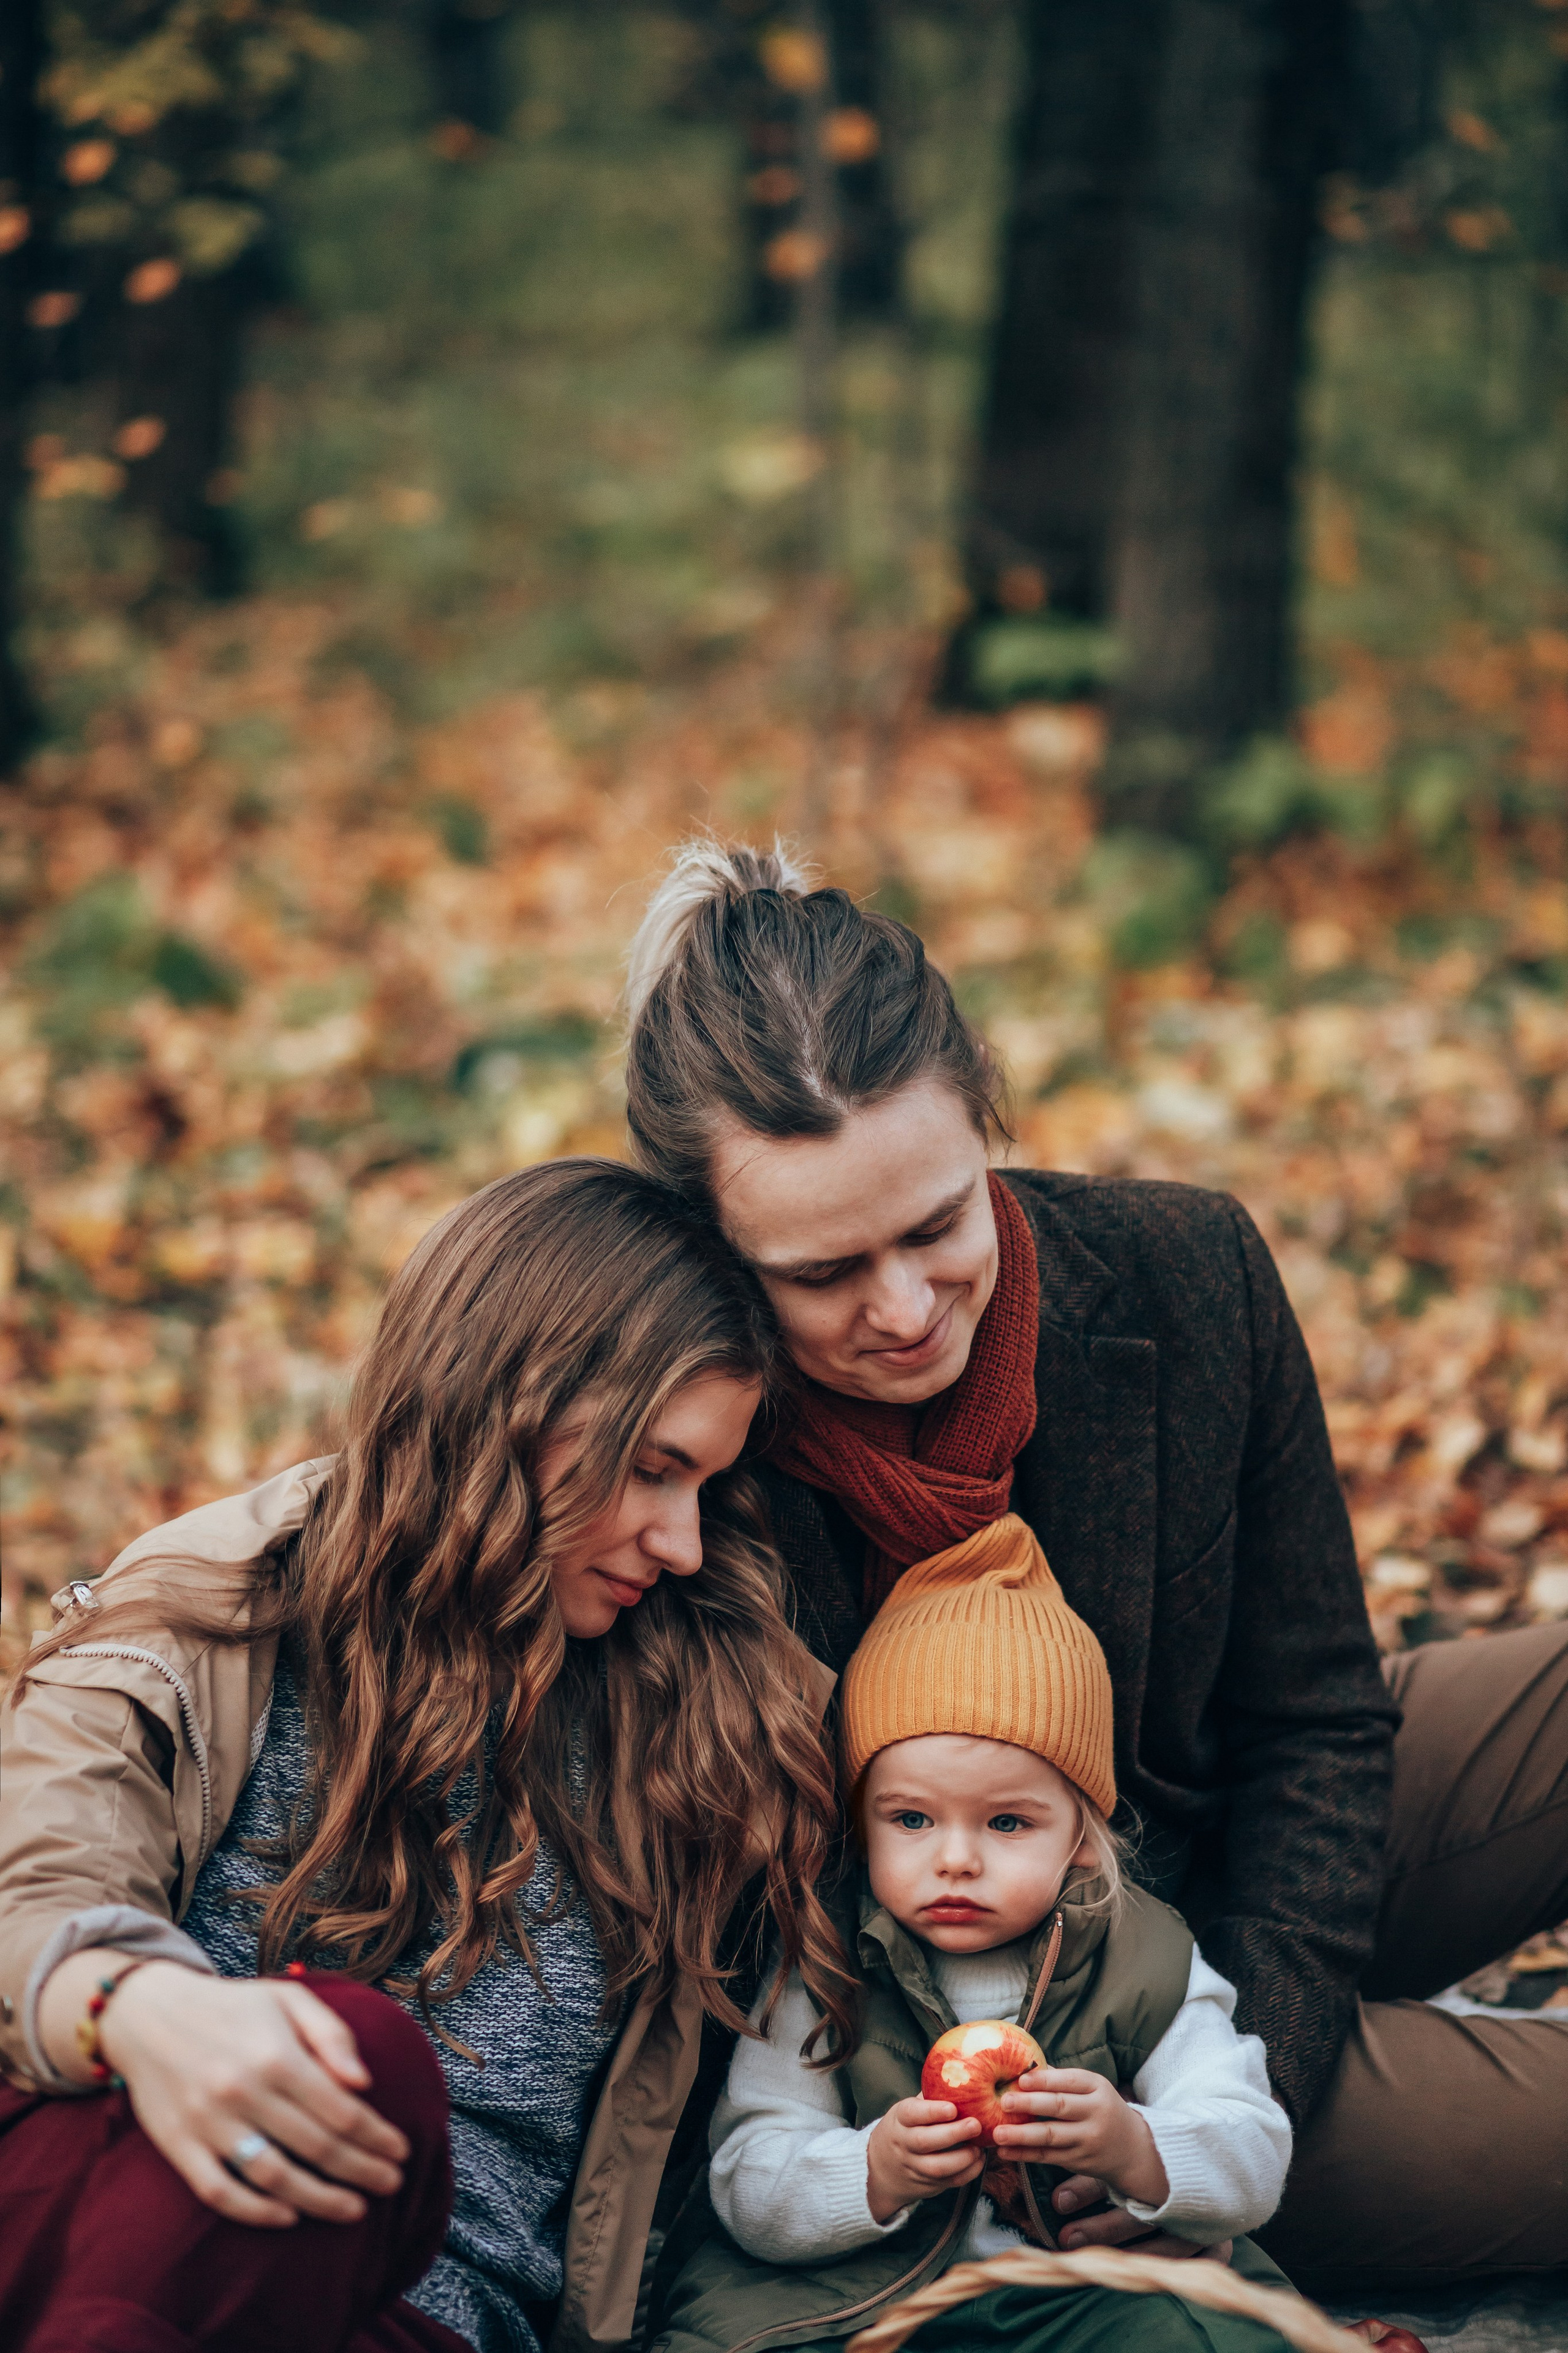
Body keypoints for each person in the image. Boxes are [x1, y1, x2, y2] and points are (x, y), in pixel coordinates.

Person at [623, 840, 1568, 2298]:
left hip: (1204, 1962)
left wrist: (1227, 2070)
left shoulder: (1185, 1271)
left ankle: (1382, 2018)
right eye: (820, 1274)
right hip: (987, 2044)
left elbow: (1312, 1714)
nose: (903, 1306)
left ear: (983, 1124)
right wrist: (1118, 2144)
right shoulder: (677, 1443)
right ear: (716, 1249)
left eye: (937, 1224)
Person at [0, 1160, 854, 2353]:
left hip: (414, 2324)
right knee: (324, 2066)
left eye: (706, 1484)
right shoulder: (204, 1614)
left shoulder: (708, 1725)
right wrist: (140, 2006)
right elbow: (33, 1883)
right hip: (122, 2200)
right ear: (503, 1407)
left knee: (364, 2073)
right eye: (654, 1468)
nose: (678, 1539)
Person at [654, 1514, 1295, 2353]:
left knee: (1208, 2336)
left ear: (1078, 1835)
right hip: (858, 2302)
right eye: (912, 1817)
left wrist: (1135, 2145)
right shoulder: (824, 1962)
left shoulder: (1146, 1961)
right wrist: (874, 2171)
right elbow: (749, 2175)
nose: (955, 1859)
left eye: (1006, 1822)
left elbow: (1251, 2148)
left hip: (1070, 2296)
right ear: (863, 1823)